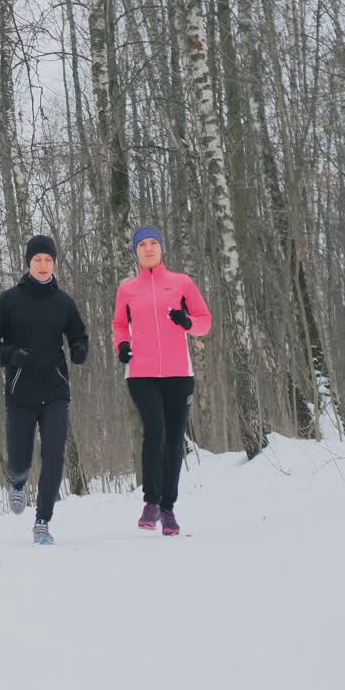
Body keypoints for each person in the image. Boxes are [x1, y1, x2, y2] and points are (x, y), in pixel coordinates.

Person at [0, 235, 89, 544]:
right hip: (20, 393)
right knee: (19, 460)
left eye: (48, 260)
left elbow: (79, 334)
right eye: (37, 259)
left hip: (55, 390)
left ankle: (42, 522)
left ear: (55, 264)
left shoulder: (64, 302)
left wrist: (80, 348)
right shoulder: (10, 300)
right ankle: (17, 481)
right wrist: (9, 356)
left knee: (54, 455)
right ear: (29, 263)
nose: (43, 265)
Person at [113, 225, 212, 536]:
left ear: (162, 249)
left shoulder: (181, 283)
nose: (149, 249)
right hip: (141, 374)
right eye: (142, 245)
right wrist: (122, 345)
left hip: (178, 373)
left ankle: (168, 509)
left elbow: (204, 322)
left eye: (154, 243)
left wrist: (187, 322)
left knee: (173, 439)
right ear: (136, 252)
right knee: (154, 431)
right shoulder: (127, 288)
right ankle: (150, 502)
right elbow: (119, 324)